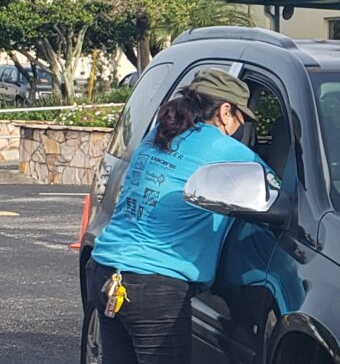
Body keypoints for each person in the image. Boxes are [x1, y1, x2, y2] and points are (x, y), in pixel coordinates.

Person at [86, 69, 267, 364]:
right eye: (240, 118)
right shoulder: (231, 153)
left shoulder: (157, 135)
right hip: (154, 287)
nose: (241, 127)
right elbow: (274, 194)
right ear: (224, 111)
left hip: (105, 271)